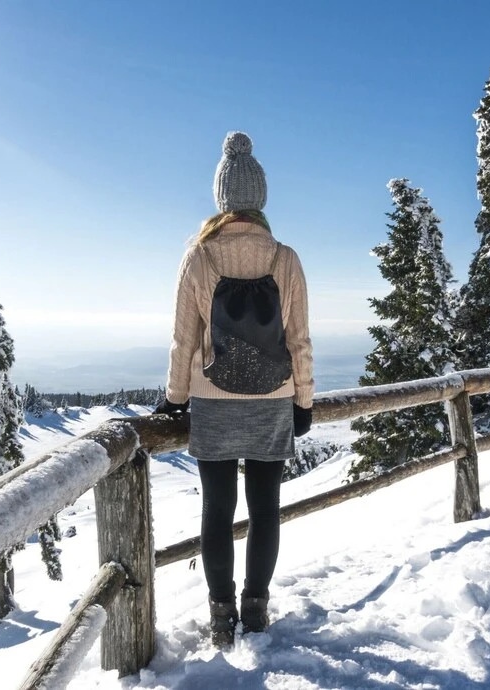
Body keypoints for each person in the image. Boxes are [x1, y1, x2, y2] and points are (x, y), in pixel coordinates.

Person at [156, 131, 314, 648]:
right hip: (272, 397)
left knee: (217, 511)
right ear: (261, 197)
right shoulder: (286, 258)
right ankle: (257, 608)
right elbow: (299, 340)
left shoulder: (199, 256)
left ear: (222, 198)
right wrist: (304, 401)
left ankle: (222, 616)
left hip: (214, 399)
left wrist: (176, 399)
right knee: (265, 509)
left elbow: (184, 340)